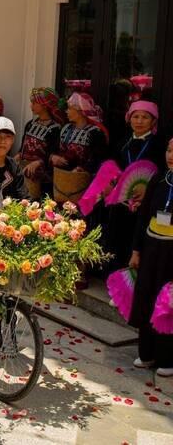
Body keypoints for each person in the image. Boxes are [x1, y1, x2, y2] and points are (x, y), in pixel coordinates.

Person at [103, 100, 167, 273]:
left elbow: (165, 171)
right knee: (118, 242)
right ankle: (117, 285)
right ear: (129, 119)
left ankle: (135, 288)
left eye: (145, 117)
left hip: (145, 204)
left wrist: (148, 188)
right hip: (121, 202)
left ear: (154, 121)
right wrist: (110, 184)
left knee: (137, 245)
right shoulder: (123, 143)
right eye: (135, 116)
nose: (139, 121)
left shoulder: (160, 145)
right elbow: (112, 167)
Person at [128, 137, 173, 377]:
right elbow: (143, 215)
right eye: (168, 150)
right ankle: (147, 353)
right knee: (147, 297)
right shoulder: (158, 179)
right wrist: (136, 251)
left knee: (168, 303)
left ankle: (167, 357)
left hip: (172, 253)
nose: (170, 155)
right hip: (151, 246)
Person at [50, 92, 108, 174]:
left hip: (82, 180)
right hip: (60, 177)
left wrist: (81, 169)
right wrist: (53, 157)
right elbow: (54, 148)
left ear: (81, 112)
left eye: (70, 109)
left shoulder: (95, 133)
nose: (67, 111)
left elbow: (97, 159)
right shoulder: (66, 128)